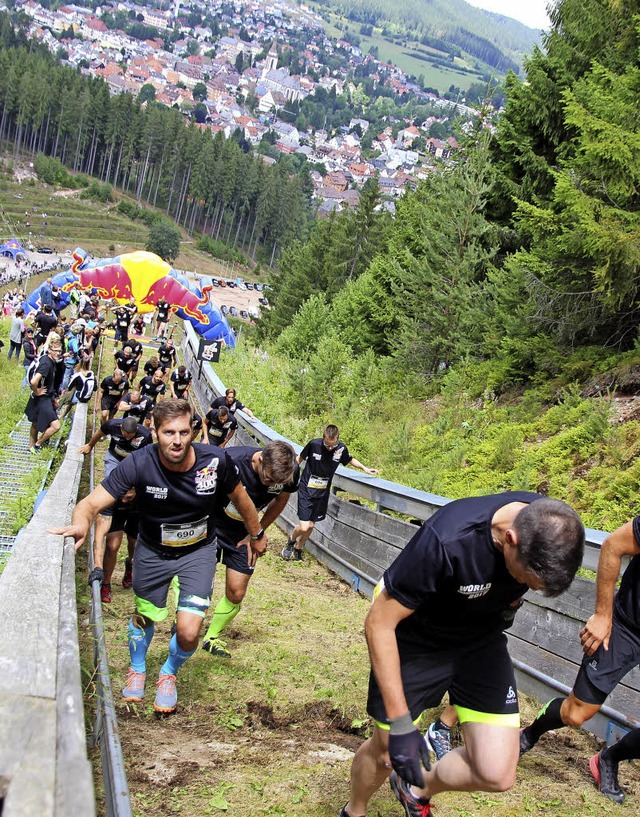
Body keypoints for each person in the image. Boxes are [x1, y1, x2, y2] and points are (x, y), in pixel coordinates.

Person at [340, 494, 585, 817]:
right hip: (417, 637)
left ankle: (416, 789)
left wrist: (510, 602)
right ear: (510, 539)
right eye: (526, 580)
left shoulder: (547, 523)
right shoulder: (447, 540)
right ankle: (354, 811)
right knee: (387, 749)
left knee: (496, 772)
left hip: (480, 638)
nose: (526, 586)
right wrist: (400, 724)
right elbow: (379, 623)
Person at [52, 399, 266, 714]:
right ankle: (137, 668)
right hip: (152, 551)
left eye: (183, 432)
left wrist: (257, 534)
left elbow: (242, 498)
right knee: (146, 615)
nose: (176, 440)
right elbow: (90, 504)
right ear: (154, 429)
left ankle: (169, 672)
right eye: (168, 432)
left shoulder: (216, 461)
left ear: (193, 429)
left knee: (190, 631)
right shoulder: (139, 463)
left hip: (198, 551)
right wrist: (80, 524)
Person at [519, 517, 640, 804]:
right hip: (626, 626)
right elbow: (612, 545)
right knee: (577, 714)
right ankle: (531, 732)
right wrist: (602, 614)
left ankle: (609, 758)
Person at [201, 440, 299, 658]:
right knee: (199, 580)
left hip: (246, 533)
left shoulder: (290, 473)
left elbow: (281, 501)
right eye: (268, 478)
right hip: (212, 524)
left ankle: (212, 637)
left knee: (236, 592)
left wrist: (258, 532)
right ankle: (183, 621)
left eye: (276, 482)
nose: (270, 484)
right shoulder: (230, 460)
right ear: (260, 459)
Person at [282, 424, 379, 561]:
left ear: (337, 440)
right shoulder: (314, 444)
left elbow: (350, 459)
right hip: (306, 489)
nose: (330, 448)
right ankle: (291, 541)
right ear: (323, 438)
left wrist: (365, 468)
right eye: (327, 445)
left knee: (311, 525)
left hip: (322, 492)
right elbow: (299, 459)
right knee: (304, 526)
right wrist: (289, 472)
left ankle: (299, 548)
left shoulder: (341, 449)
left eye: (332, 445)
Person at [92, 488, 139, 603]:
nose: (123, 500)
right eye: (121, 496)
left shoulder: (145, 491)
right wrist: (97, 567)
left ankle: (131, 564)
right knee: (112, 546)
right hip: (116, 512)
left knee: (134, 541)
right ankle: (106, 584)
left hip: (138, 510)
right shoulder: (110, 496)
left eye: (128, 497)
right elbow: (99, 537)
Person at [79, 414, 152, 477]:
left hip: (132, 460)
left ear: (136, 430)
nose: (127, 438)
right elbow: (100, 433)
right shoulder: (111, 425)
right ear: (121, 427)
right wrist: (90, 445)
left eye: (131, 436)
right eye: (125, 435)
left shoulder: (145, 435)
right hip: (114, 456)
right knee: (110, 478)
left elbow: (150, 452)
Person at [25, 336, 62, 453]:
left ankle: (31, 447)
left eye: (60, 351)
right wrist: (37, 391)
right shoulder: (46, 364)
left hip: (46, 397)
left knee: (35, 423)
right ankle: (37, 444)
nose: (58, 353)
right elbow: (34, 381)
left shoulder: (48, 360)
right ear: (50, 350)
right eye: (56, 351)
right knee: (56, 426)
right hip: (42, 398)